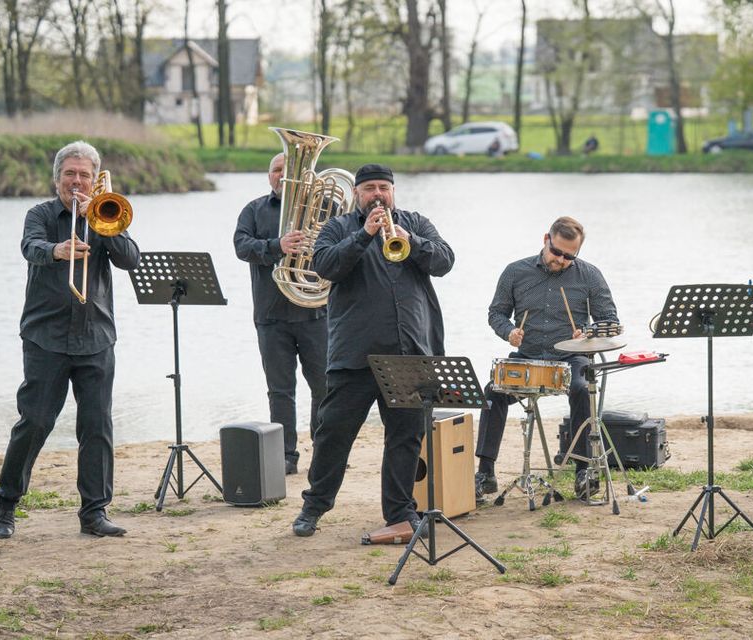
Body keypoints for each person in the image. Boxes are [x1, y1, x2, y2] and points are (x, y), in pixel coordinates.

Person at [291, 163, 455, 537]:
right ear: (357, 194)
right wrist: (364, 235)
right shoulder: (337, 228)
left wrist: (410, 242)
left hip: (410, 351)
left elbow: (445, 261)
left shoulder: (416, 223)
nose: (377, 194)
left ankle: (399, 512)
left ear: (393, 191)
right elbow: (326, 266)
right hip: (355, 353)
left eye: (384, 187)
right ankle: (314, 507)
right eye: (369, 188)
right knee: (333, 432)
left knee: (406, 436)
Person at [0, 140, 141, 539]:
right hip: (46, 338)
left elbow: (131, 259)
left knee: (96, 426)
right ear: (57, 177)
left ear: (95, 180)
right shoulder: (39, 214)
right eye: (70, 174)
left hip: (96, 337)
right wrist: (57, 250)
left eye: (84, 175)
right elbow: (31, 247)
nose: (77, 181)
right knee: (35, 421)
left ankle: (95, 512)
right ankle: (6, 502)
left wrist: (105, 219)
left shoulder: (105, 212)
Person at [474, 216, 618, 502]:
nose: (561, 260)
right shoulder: (515, 272)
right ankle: (486, 472)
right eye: (557, 252)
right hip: (527, 356)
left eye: (569, 256)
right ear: (545, 240)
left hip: (572, 357)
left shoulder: (590, 275)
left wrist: (587, 332)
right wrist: (509, 332)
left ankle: (583, 471)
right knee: (492, 392)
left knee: (580, 388)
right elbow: (496, 314)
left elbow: (610, 322)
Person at [234, 153, 328, 476]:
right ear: (269, 175)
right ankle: (287, 455)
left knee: (325, 385)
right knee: (280, 390)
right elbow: (241, 246)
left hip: (315, 312)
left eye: (290, 170)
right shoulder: (254, 210)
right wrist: (278, 245)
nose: (283, 175)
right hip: (272, 316)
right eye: (277, 170)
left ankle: (323, 447)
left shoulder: (324, 207)